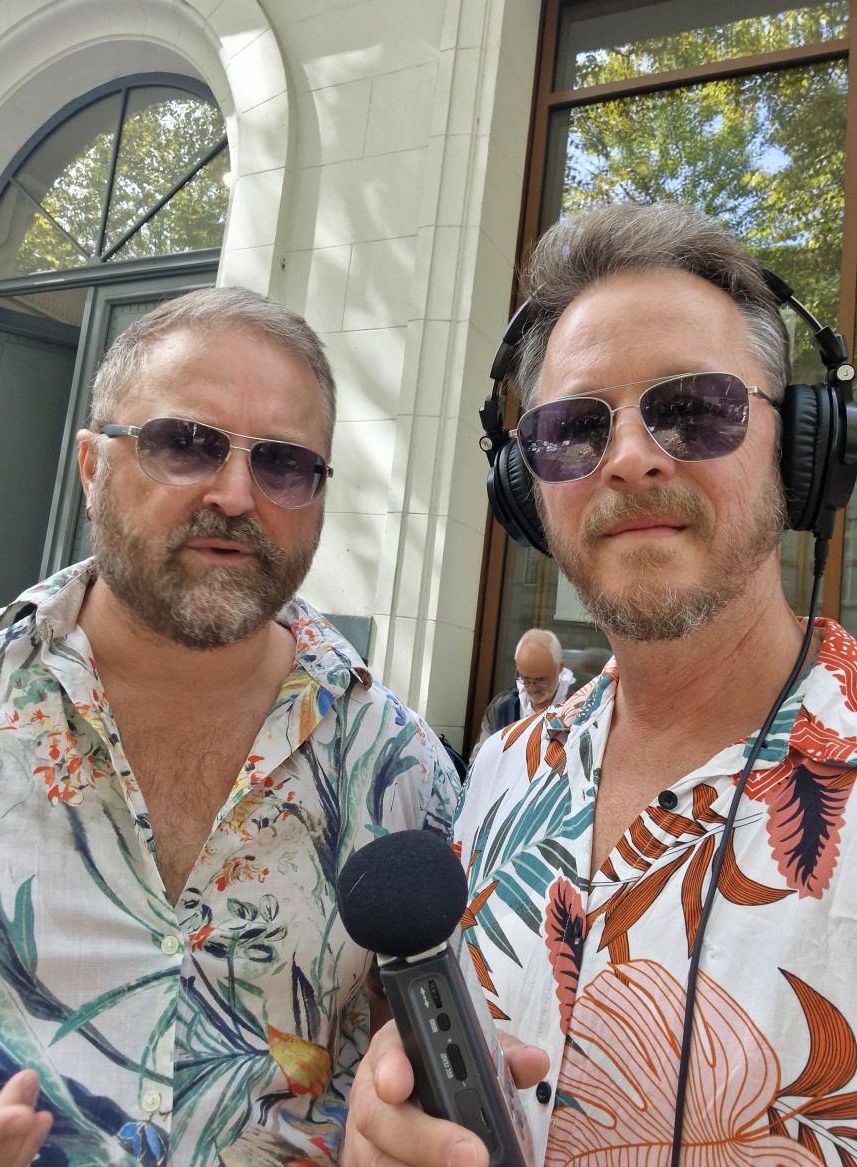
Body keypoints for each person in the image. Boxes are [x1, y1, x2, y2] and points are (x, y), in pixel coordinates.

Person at [343, 201, 857, 1167]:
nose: (628, 458)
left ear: (799, 449)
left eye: (694, 409)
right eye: (574, 427)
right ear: (524, 487)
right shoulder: (501, 769)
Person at [0, 287, 459, 1166]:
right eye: (183, 443)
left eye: (283, 463)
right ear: (91, 466)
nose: (235, 494)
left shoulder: (402, 773)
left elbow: (422, 1074)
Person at [468, 628, 575, 762]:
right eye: (525, 679)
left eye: (540, 680)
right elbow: (478, 762)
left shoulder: (578, 710)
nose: (532, 688)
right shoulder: (502, 707)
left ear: (560, 667)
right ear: (517, 669)